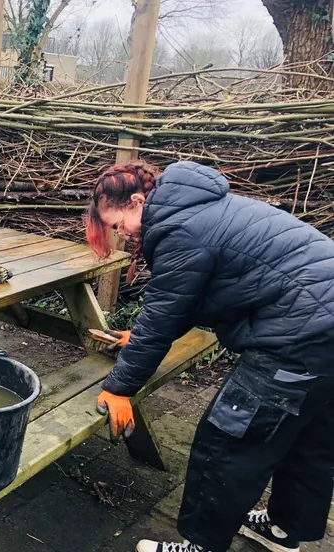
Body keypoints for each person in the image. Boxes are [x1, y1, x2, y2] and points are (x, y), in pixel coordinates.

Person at [84, 160, 334, 552]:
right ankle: (284, 530)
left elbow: (165, 313)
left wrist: (119, 389)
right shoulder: (201, 210)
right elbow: (186, 303)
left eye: (118, 224)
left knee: (227, 440)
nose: (122, 234)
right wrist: (141, 336)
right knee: (308, 437)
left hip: (300, 336)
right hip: (324, 329)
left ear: (136, 201)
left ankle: (200, 545)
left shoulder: (181, 229)